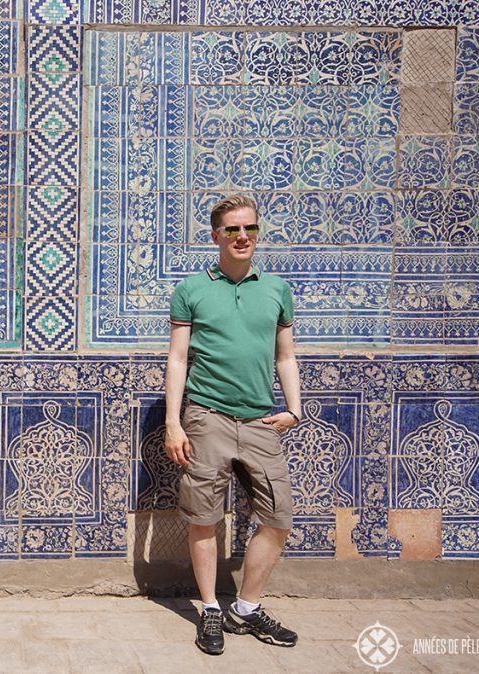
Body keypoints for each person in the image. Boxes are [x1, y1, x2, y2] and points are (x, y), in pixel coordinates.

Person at [164, 194, 302, 655]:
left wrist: (294, 408)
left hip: (262, 419)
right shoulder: (191, 289)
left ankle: (245, 609)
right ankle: (208, 610)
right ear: (215, 235)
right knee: (204, 517)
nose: (242, 237)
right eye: (232, 230)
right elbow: (178, 358)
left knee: (278, 517)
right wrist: (173, 423)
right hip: (207, 416)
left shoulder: (277, 289)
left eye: (250, 229)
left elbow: (286, 356)